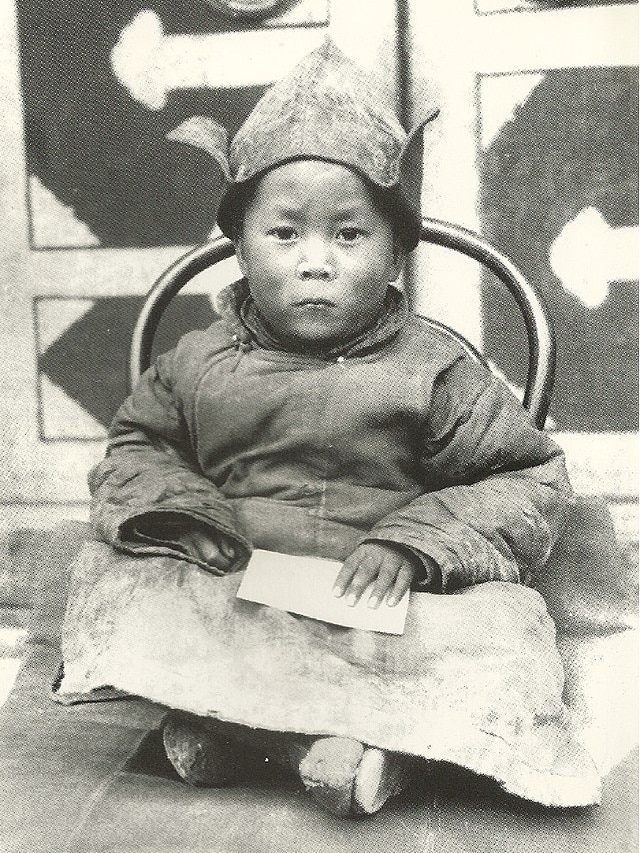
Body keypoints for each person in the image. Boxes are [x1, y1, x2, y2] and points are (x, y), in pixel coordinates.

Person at [61, 39, 589, 816]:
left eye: (348, 234)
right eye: (284, 235)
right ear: (239, 248)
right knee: (119, 576)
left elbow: (528, 478)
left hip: (386, 609)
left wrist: (417, 543)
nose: (316, 262)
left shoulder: (434, 369)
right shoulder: (199, 361)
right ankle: (312, 740)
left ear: (397, 255)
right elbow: (139, 446)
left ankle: (266, 735)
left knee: (506, 632)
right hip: (246, 591)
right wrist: (182, 513)